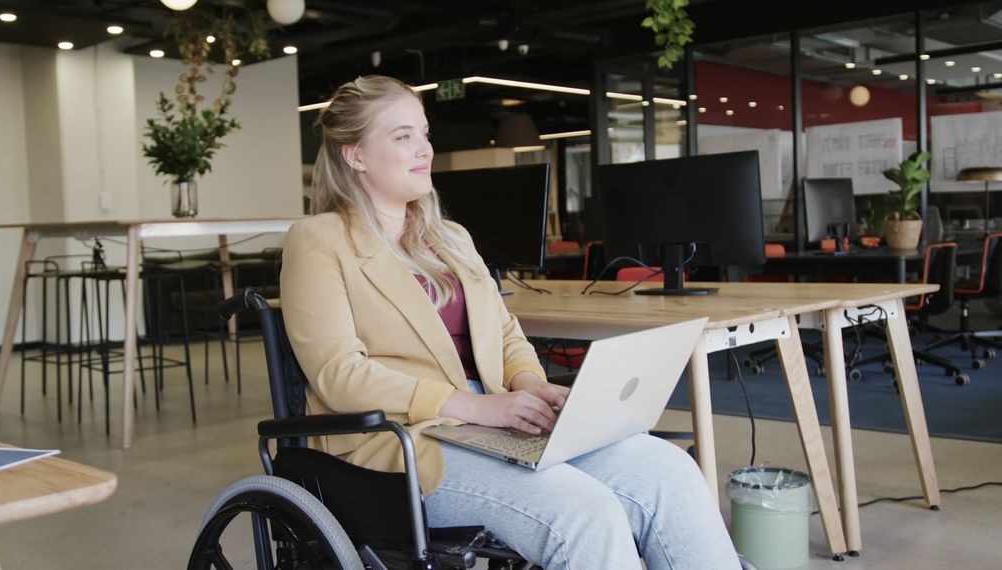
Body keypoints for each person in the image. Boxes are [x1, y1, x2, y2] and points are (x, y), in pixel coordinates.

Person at [279, 75, 741, 570]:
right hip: (403, 442)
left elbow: (504, 332)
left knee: (669, 471)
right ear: (355, 156)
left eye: (425, 133)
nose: (425, 149)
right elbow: (339, 375)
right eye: (402, 136)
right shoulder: (318, 240)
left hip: (495, 419)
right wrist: (480, 408)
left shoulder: (449, 237)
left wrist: (528, 385)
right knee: (585, 512)